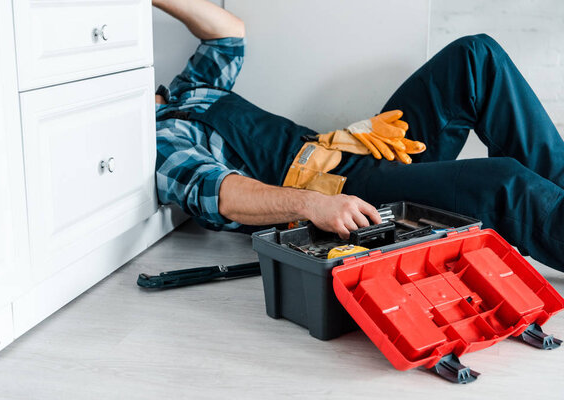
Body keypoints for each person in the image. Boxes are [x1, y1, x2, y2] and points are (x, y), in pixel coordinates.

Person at [152, 0, 564, 271]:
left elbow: (228, 32)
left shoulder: (189, 88)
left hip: (355, 146)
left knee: (476, 57)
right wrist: (316, 204)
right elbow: (226, 196)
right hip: (342, 199)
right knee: (505, 184)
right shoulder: (160, 141)